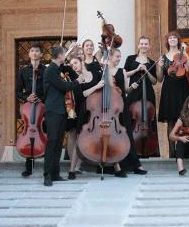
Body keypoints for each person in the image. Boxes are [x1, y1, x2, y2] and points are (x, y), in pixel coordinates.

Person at [42, 47, 84, 187]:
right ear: (59, 55)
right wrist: (78, 82)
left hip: (61, 111)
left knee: (59, 142)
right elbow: (64, 86)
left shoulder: (59, 69)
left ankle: (55, 173)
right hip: (53, 110)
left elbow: (69, 73)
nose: (65, 57)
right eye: (64, 54)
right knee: (52, 142)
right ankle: (47, 174)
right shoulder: (51, 70)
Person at [107, 48, 148, 176]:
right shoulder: (104, 71)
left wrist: (131, 87)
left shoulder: (122, 71)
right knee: (114, 136)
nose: (119, 59)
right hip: (110, 107)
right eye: (117, 56)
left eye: (120, 57)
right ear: (110, 57)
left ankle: (136, 165)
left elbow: (125, 90)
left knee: (127, 135)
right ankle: (117, 167)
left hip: (122, 106)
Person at [67, 55, 103, 180]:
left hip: (97, 110)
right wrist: (97, 86)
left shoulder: (94, 72)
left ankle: (111, 166)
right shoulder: (76, 79)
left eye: (75, 62)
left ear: (82, 62)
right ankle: (72, 170)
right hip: (83, 111)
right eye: (71, 65)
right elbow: (83, 94)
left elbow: (103, 86)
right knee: (79, 140)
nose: (74, 66)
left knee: (102, 137)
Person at [157, 31, 189, 158]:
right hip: (169, 90)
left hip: (182, 87)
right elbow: (159, 79)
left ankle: (182, 153)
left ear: (178, 40)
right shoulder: (163, 57)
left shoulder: (182, 54)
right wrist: (160, 67)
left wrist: (184, 51)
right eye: (170, 38)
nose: (172, 39)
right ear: (167, 41)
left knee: (184, 120)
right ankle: (172, 154)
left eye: (175, 38)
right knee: (171, 120)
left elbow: (187, 69)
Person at [125, 36, 159, 157]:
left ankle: (150, 149)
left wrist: (147, 71)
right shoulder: (130, 59)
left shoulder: (151, 62)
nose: (144, 46)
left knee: (149, 121)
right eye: (142, 44)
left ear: (149, 46)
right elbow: (124, 74)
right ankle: (131, 150)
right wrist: (136, 70)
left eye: (146, 44)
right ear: (138, 45)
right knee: (132, 119)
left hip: (148, 93)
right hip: (134, 91)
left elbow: (155, 81)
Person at [16, 43, 46, 177]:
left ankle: (47, 167)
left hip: (43, 107)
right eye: (32, 51)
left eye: (37, 51)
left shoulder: (46, 70)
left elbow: (50, 89)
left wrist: (41, 98)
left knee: (45, 133)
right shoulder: (23, 71)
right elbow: (17, 92)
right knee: (29, 132)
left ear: (41, 54)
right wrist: (27, 97)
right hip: (29, 107)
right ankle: (29, 166)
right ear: (29, 54)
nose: (34, 53)